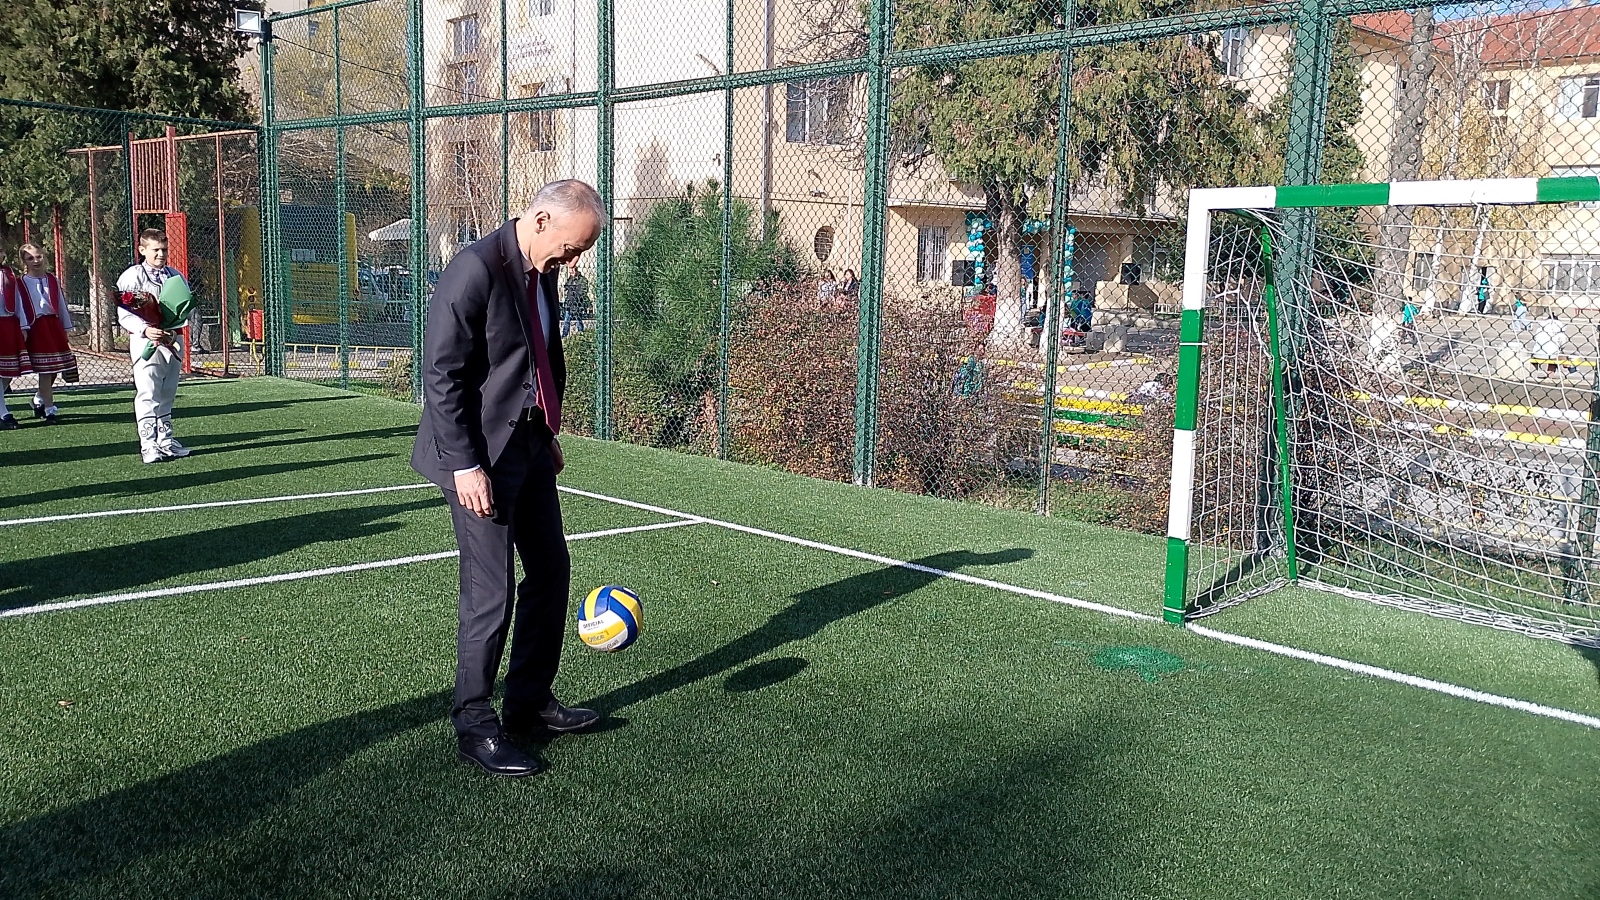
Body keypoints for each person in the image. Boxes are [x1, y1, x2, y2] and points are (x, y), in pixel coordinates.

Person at [411, 179, 606, 778]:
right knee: (491, 593)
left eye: (581, 252)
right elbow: (441, 375)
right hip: (478, 456)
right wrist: (465, 465)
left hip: (527, 442)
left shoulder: (542, 270)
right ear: (541, 220)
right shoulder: (474, 269)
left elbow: (536, 359)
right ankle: (474, 722)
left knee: (551, 569)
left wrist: (546, 431)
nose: (574, 261)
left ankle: (528, 702)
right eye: (572, 247)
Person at [116, 228, 190, 463]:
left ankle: (166, 440)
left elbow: (185, 306)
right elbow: (124, 312)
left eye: (164, 249)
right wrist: (144, 329)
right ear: (142, 250)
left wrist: (175, 325)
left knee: (168, 390)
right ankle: (148, 444)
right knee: (148, 391)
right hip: (146, 340)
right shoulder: (133, 275)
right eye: (155, 249)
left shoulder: (175, 275)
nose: (161, 254)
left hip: (172, 338)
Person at [17, 244, 79, 423]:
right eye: (30, 258)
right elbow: (20, 307)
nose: (36, 261)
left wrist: (66, 328)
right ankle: (49, 410)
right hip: (35, 327)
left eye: (38, 257)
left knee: (55, 369)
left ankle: (38, 399)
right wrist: (23, 327)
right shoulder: (21, 283)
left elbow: (60, 304)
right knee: (45, 370)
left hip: (53, 325)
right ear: (24, 261)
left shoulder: (51, 279)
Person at [0, 249, 29, 429]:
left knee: (8, 372)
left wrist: (23, 325)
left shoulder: (8, 273)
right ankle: (3, 412)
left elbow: (18, 301)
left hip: (8, 325)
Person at [560, 259, 588, 338]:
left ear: (576, 270)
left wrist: (574, 292)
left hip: (577, 303)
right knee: (566, 320)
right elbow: (566, 287)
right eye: (570, 270)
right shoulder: (570, 279)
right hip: (569, 303)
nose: (570, 272)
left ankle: (581, 334)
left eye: (572, 270)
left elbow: (583, 291)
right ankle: (564, 335)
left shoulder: (582, 280)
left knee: (578, 320)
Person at [1533, 311, 1567, 377]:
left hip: (1537, 353)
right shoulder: (1559, 329)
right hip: (1552, 355)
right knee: (1558, 356)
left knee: (1553, 353)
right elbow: (1563, 342)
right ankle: (1551, 374)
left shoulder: (1540, 328)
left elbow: (1535, 338)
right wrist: (1561, 348)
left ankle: (1535, 373)